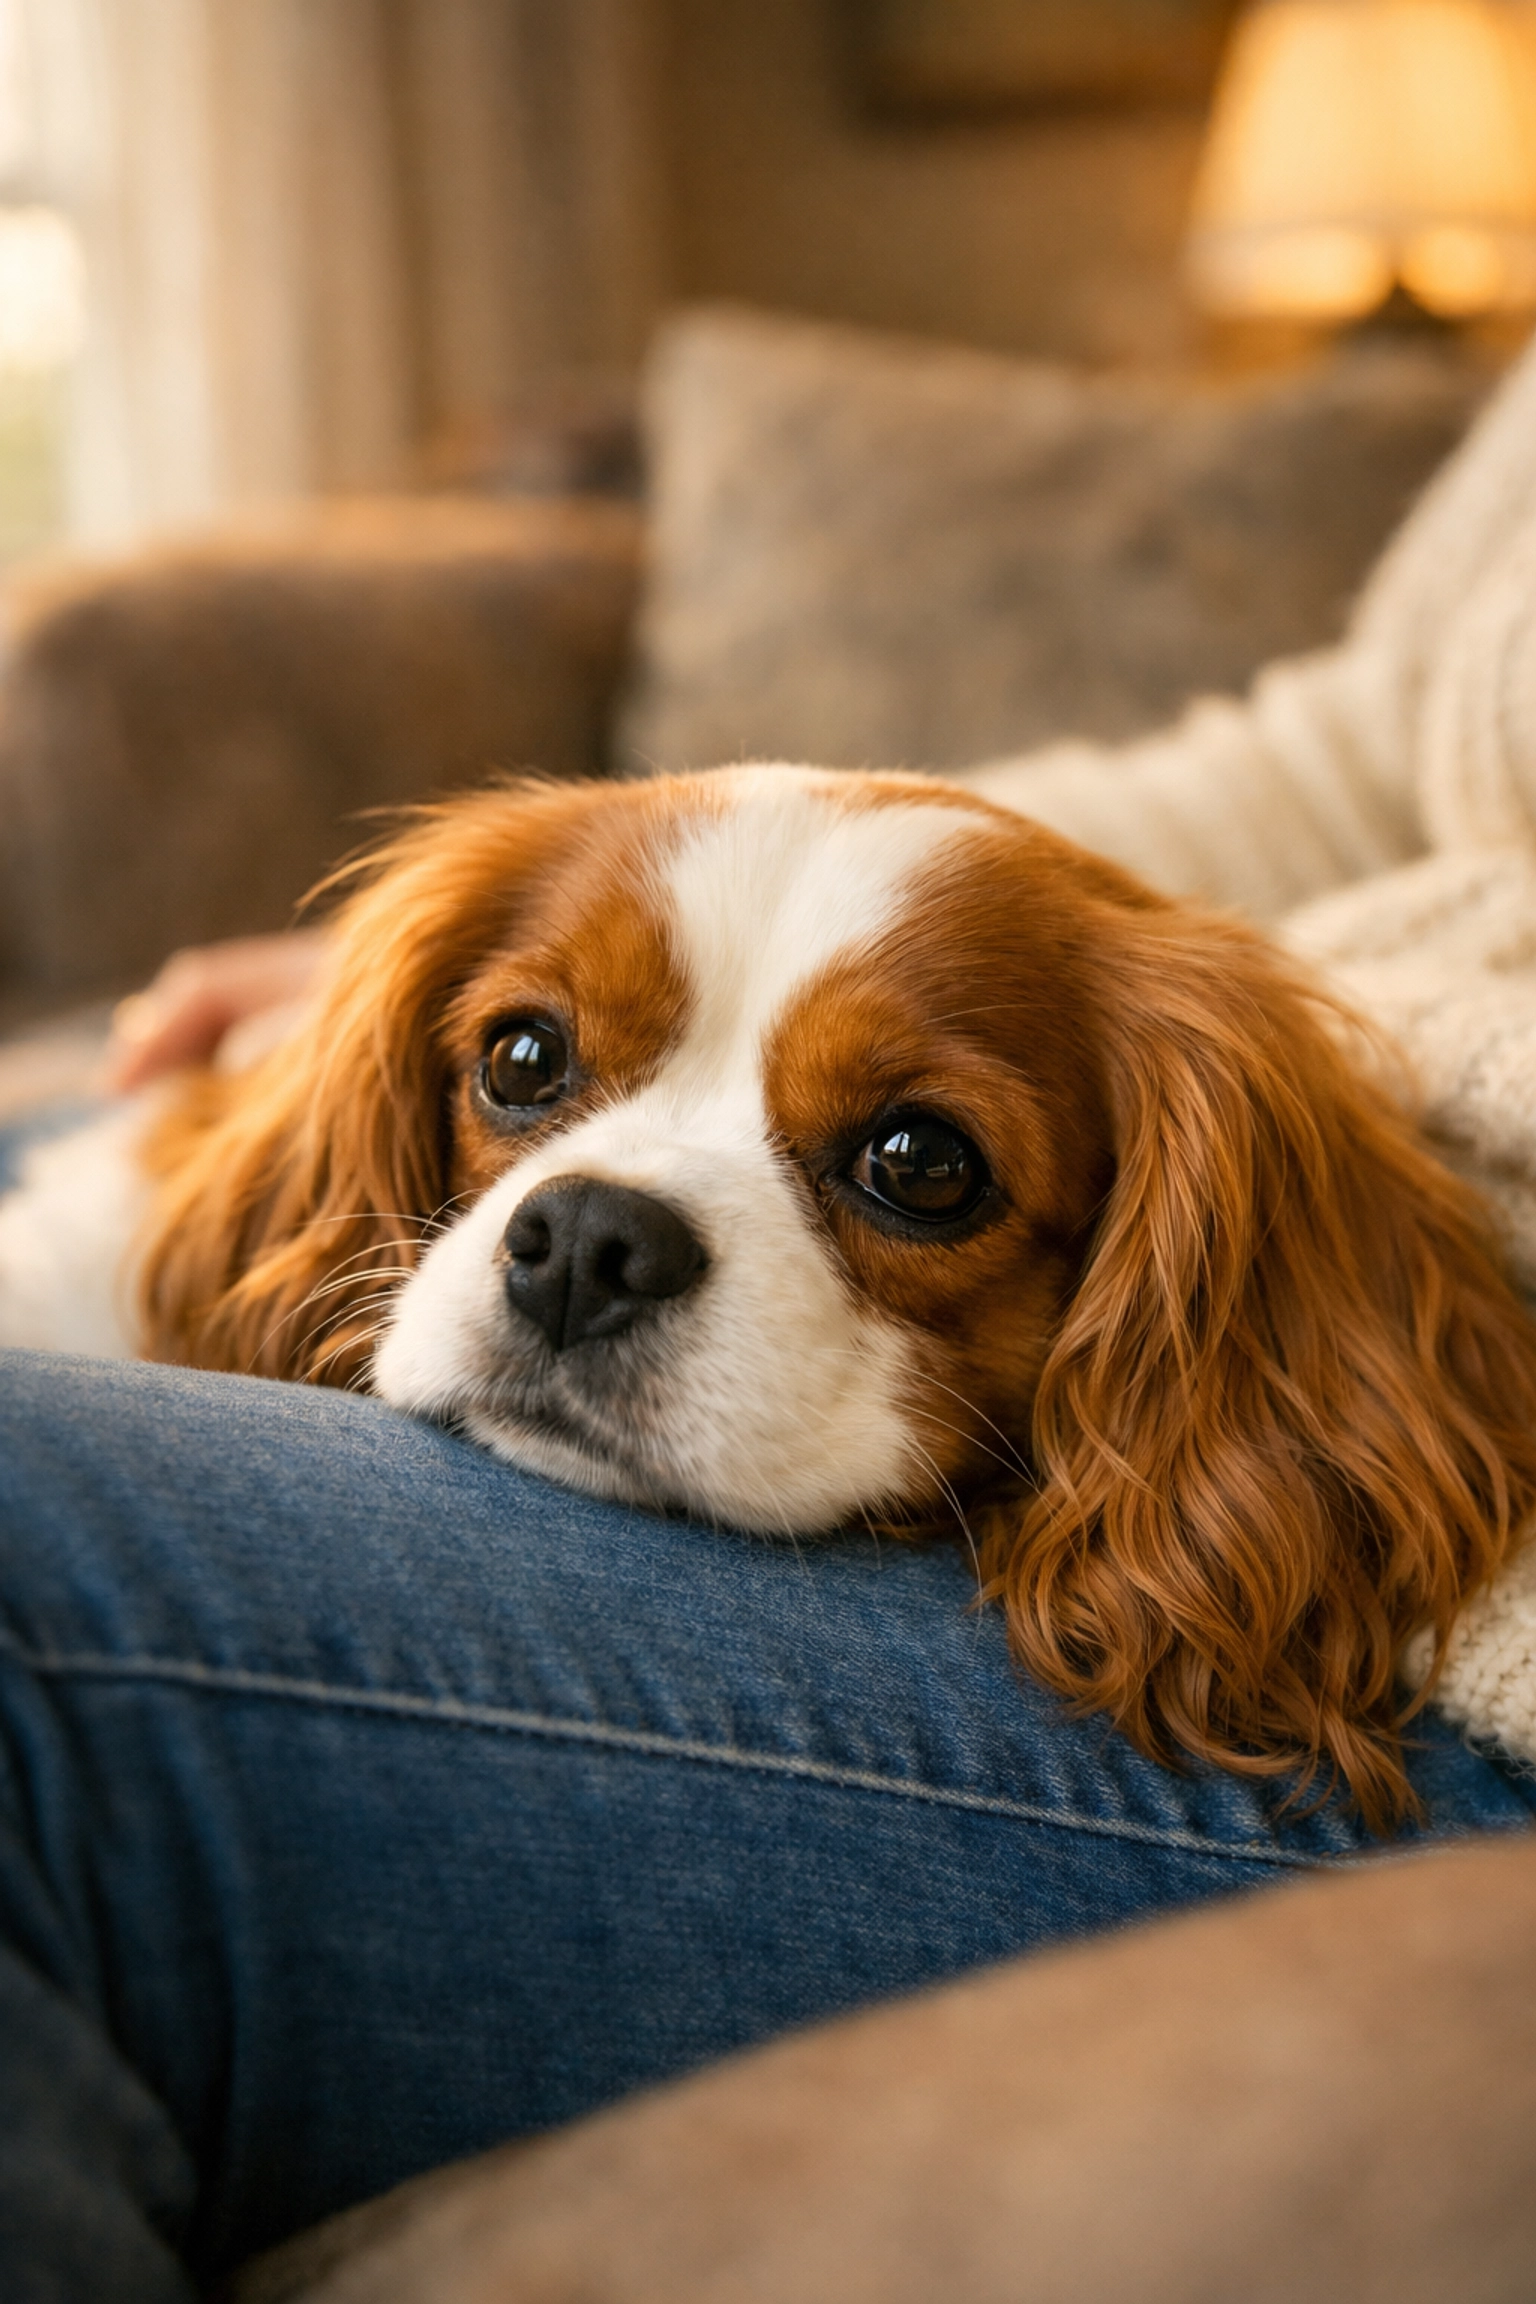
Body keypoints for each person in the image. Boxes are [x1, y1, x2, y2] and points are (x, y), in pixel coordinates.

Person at [9, 331, 1536, 2302]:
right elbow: (1378, 743)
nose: (593, 1223)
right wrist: (649, 919)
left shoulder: (1229, 1169)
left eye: (917, 1171)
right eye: (534, 1066)